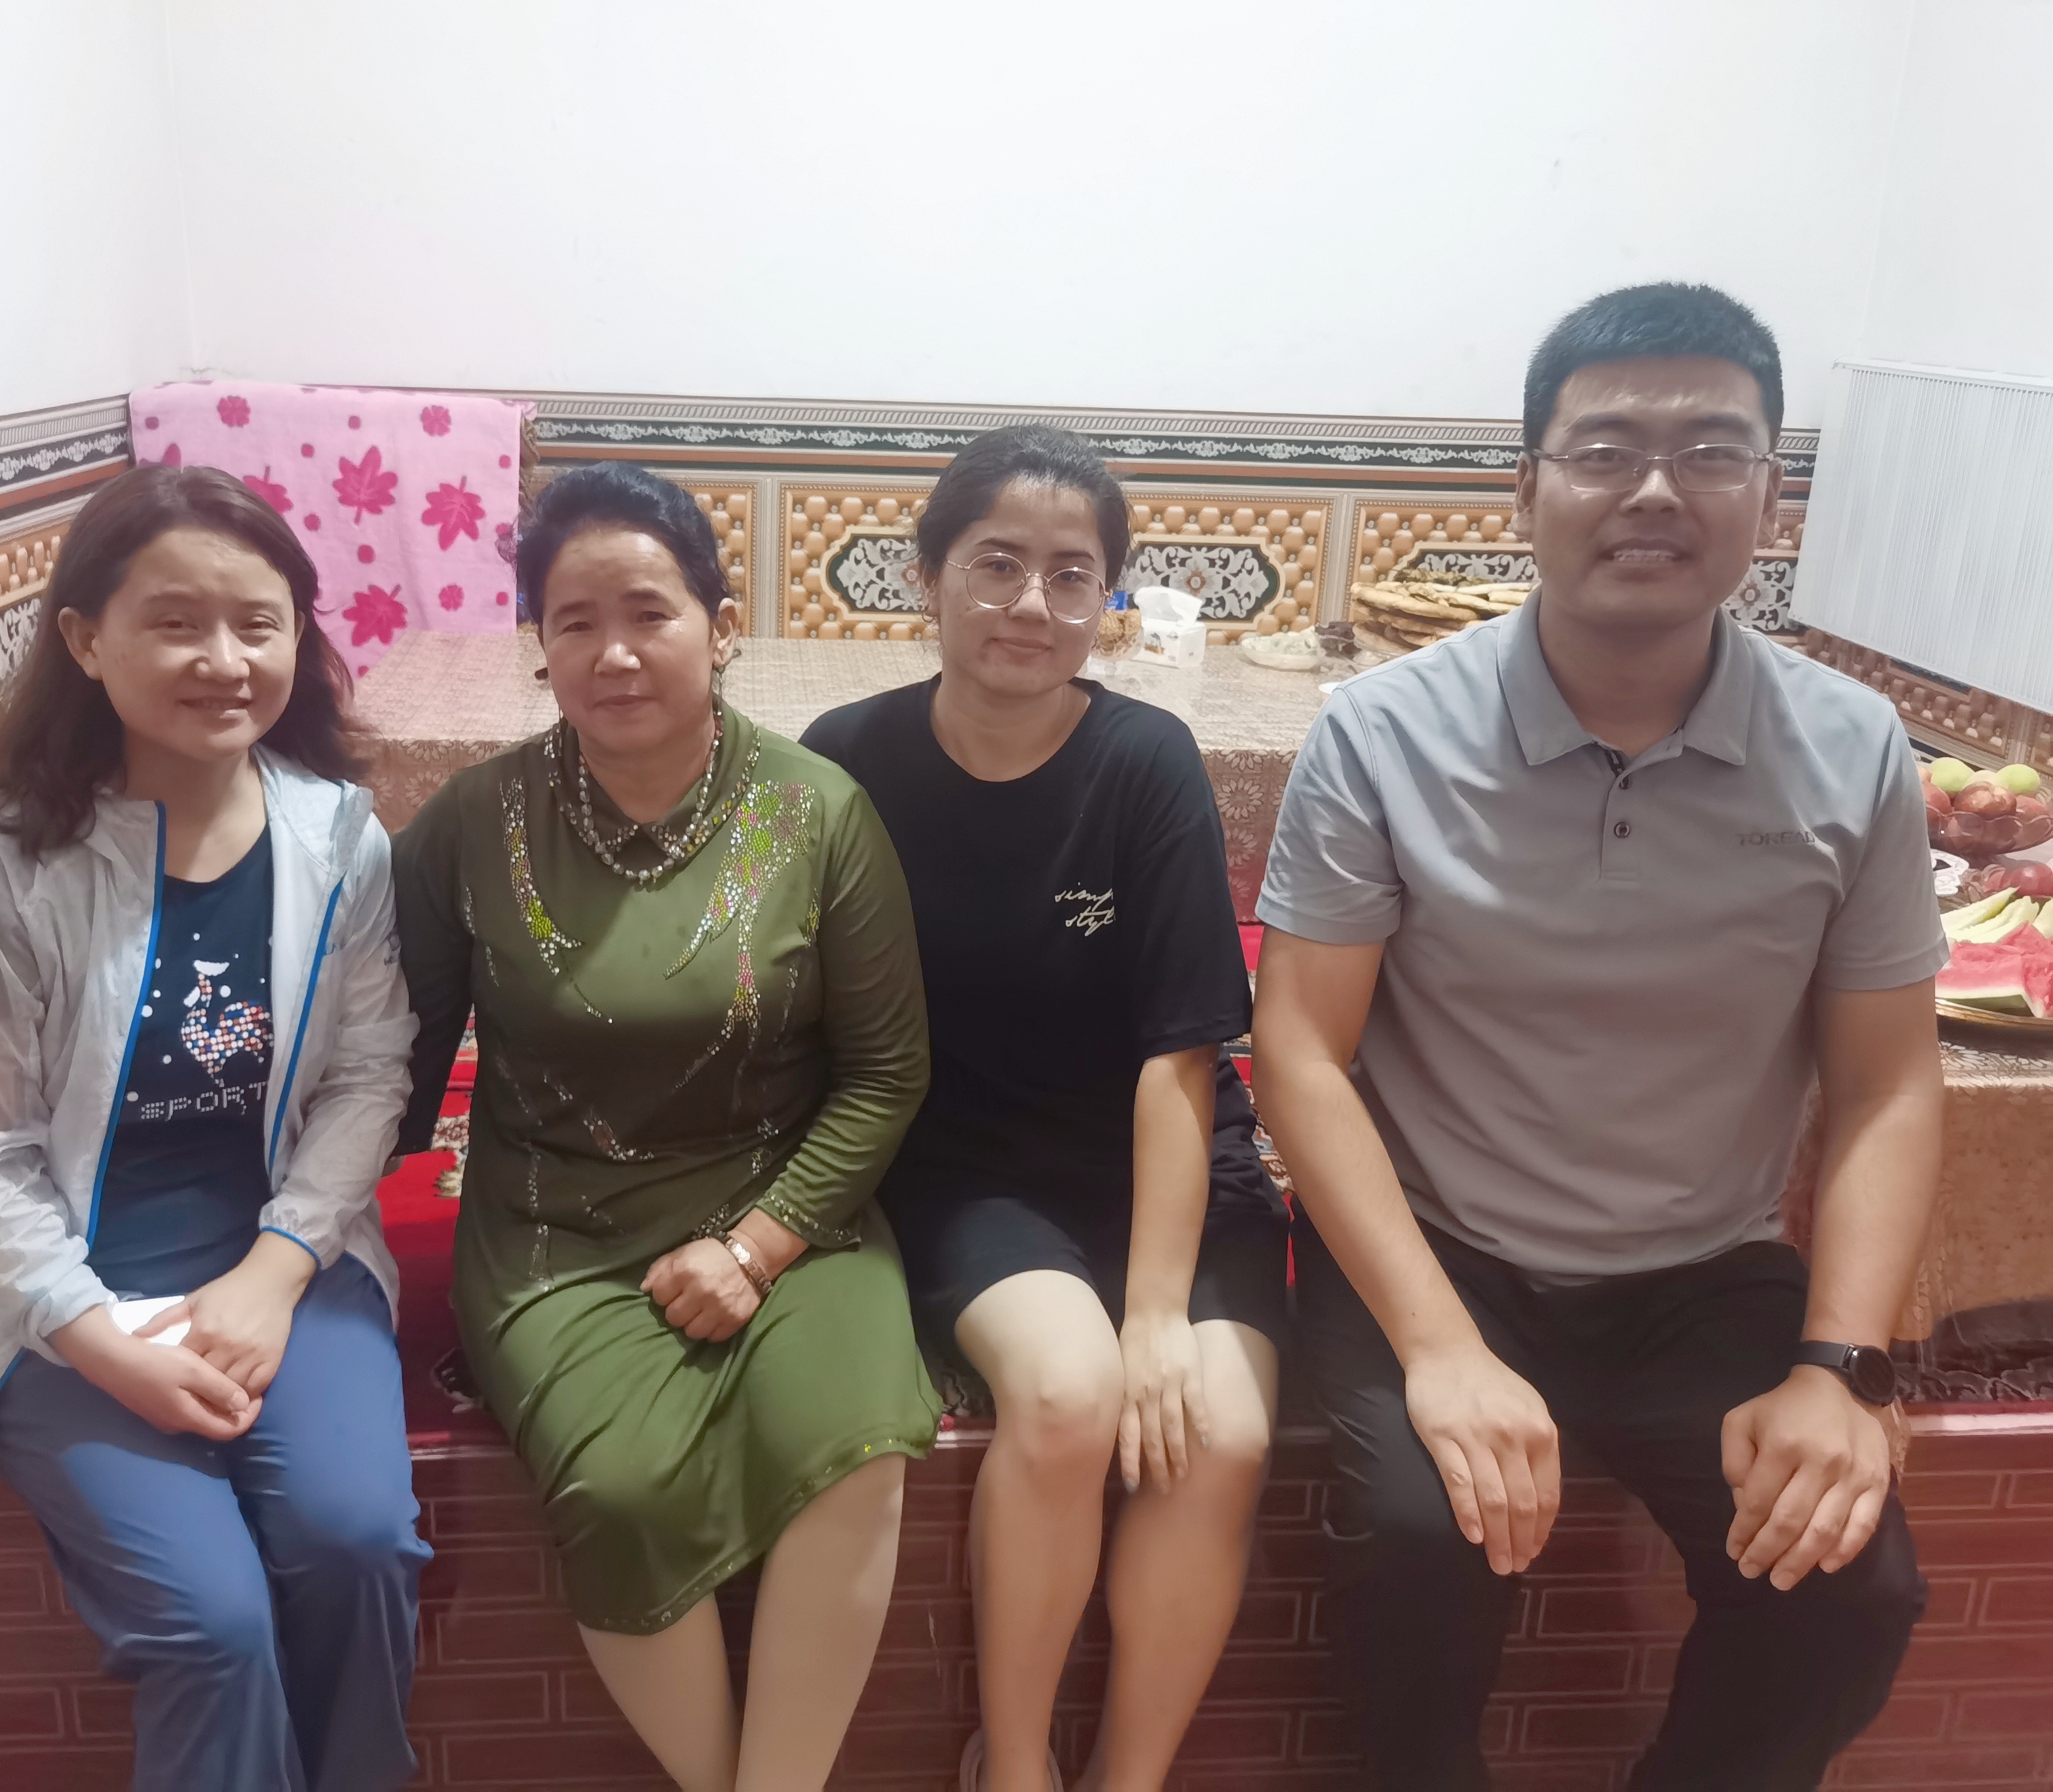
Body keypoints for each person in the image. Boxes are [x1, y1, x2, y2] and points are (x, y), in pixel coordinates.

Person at [1251, 283, 1944, 1791]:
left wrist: (1843, 1367)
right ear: (1527, 489)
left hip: (1706, 1275)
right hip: (1444, 1255)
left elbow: (1889, 1080)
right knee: (1419, 1550)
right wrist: (1441, 1348)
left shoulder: (1852, 750)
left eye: (1712, 450)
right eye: (1607, 449)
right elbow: (1298, 1048)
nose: (1656, 490)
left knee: (1846, 1589)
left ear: (1772, 497)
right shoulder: (1385, 734)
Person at [390, 461, 941, 1792]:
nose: (615, 653)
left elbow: (886, 1073)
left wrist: (759, 1245)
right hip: (554, 1226)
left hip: (788, 1204)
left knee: (851, 1450)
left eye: (650, 612)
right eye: (574, 622)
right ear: (541, 645)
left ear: (720, 623)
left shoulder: (818, 810)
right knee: (620, 1491)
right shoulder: (473, 821)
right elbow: (391, 1062)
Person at [0, 464, 430, 1792]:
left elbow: (372, 1072)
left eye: (259, 623)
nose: (225, 661)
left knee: (358, 1541)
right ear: (86, 640)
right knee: (212, 1623)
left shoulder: (337, 837)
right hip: (57, 1297)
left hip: (279, 1262)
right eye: (177, 623)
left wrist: (276, 1271)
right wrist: (98, 1344)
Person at [803, 424, 1290, 1792]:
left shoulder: (1146, 760)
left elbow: (1182, 1052)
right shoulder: (850, 758)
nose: (1032, 603)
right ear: (929, 576)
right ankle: (1012, 1763)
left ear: (1108, 600)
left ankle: (1130, 1776)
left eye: (1073, 575)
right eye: (997, 564)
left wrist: (1158, 1312)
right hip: (971, 1169)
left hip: (1171, 1156)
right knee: (1072, 1400)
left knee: (1219, 1433)